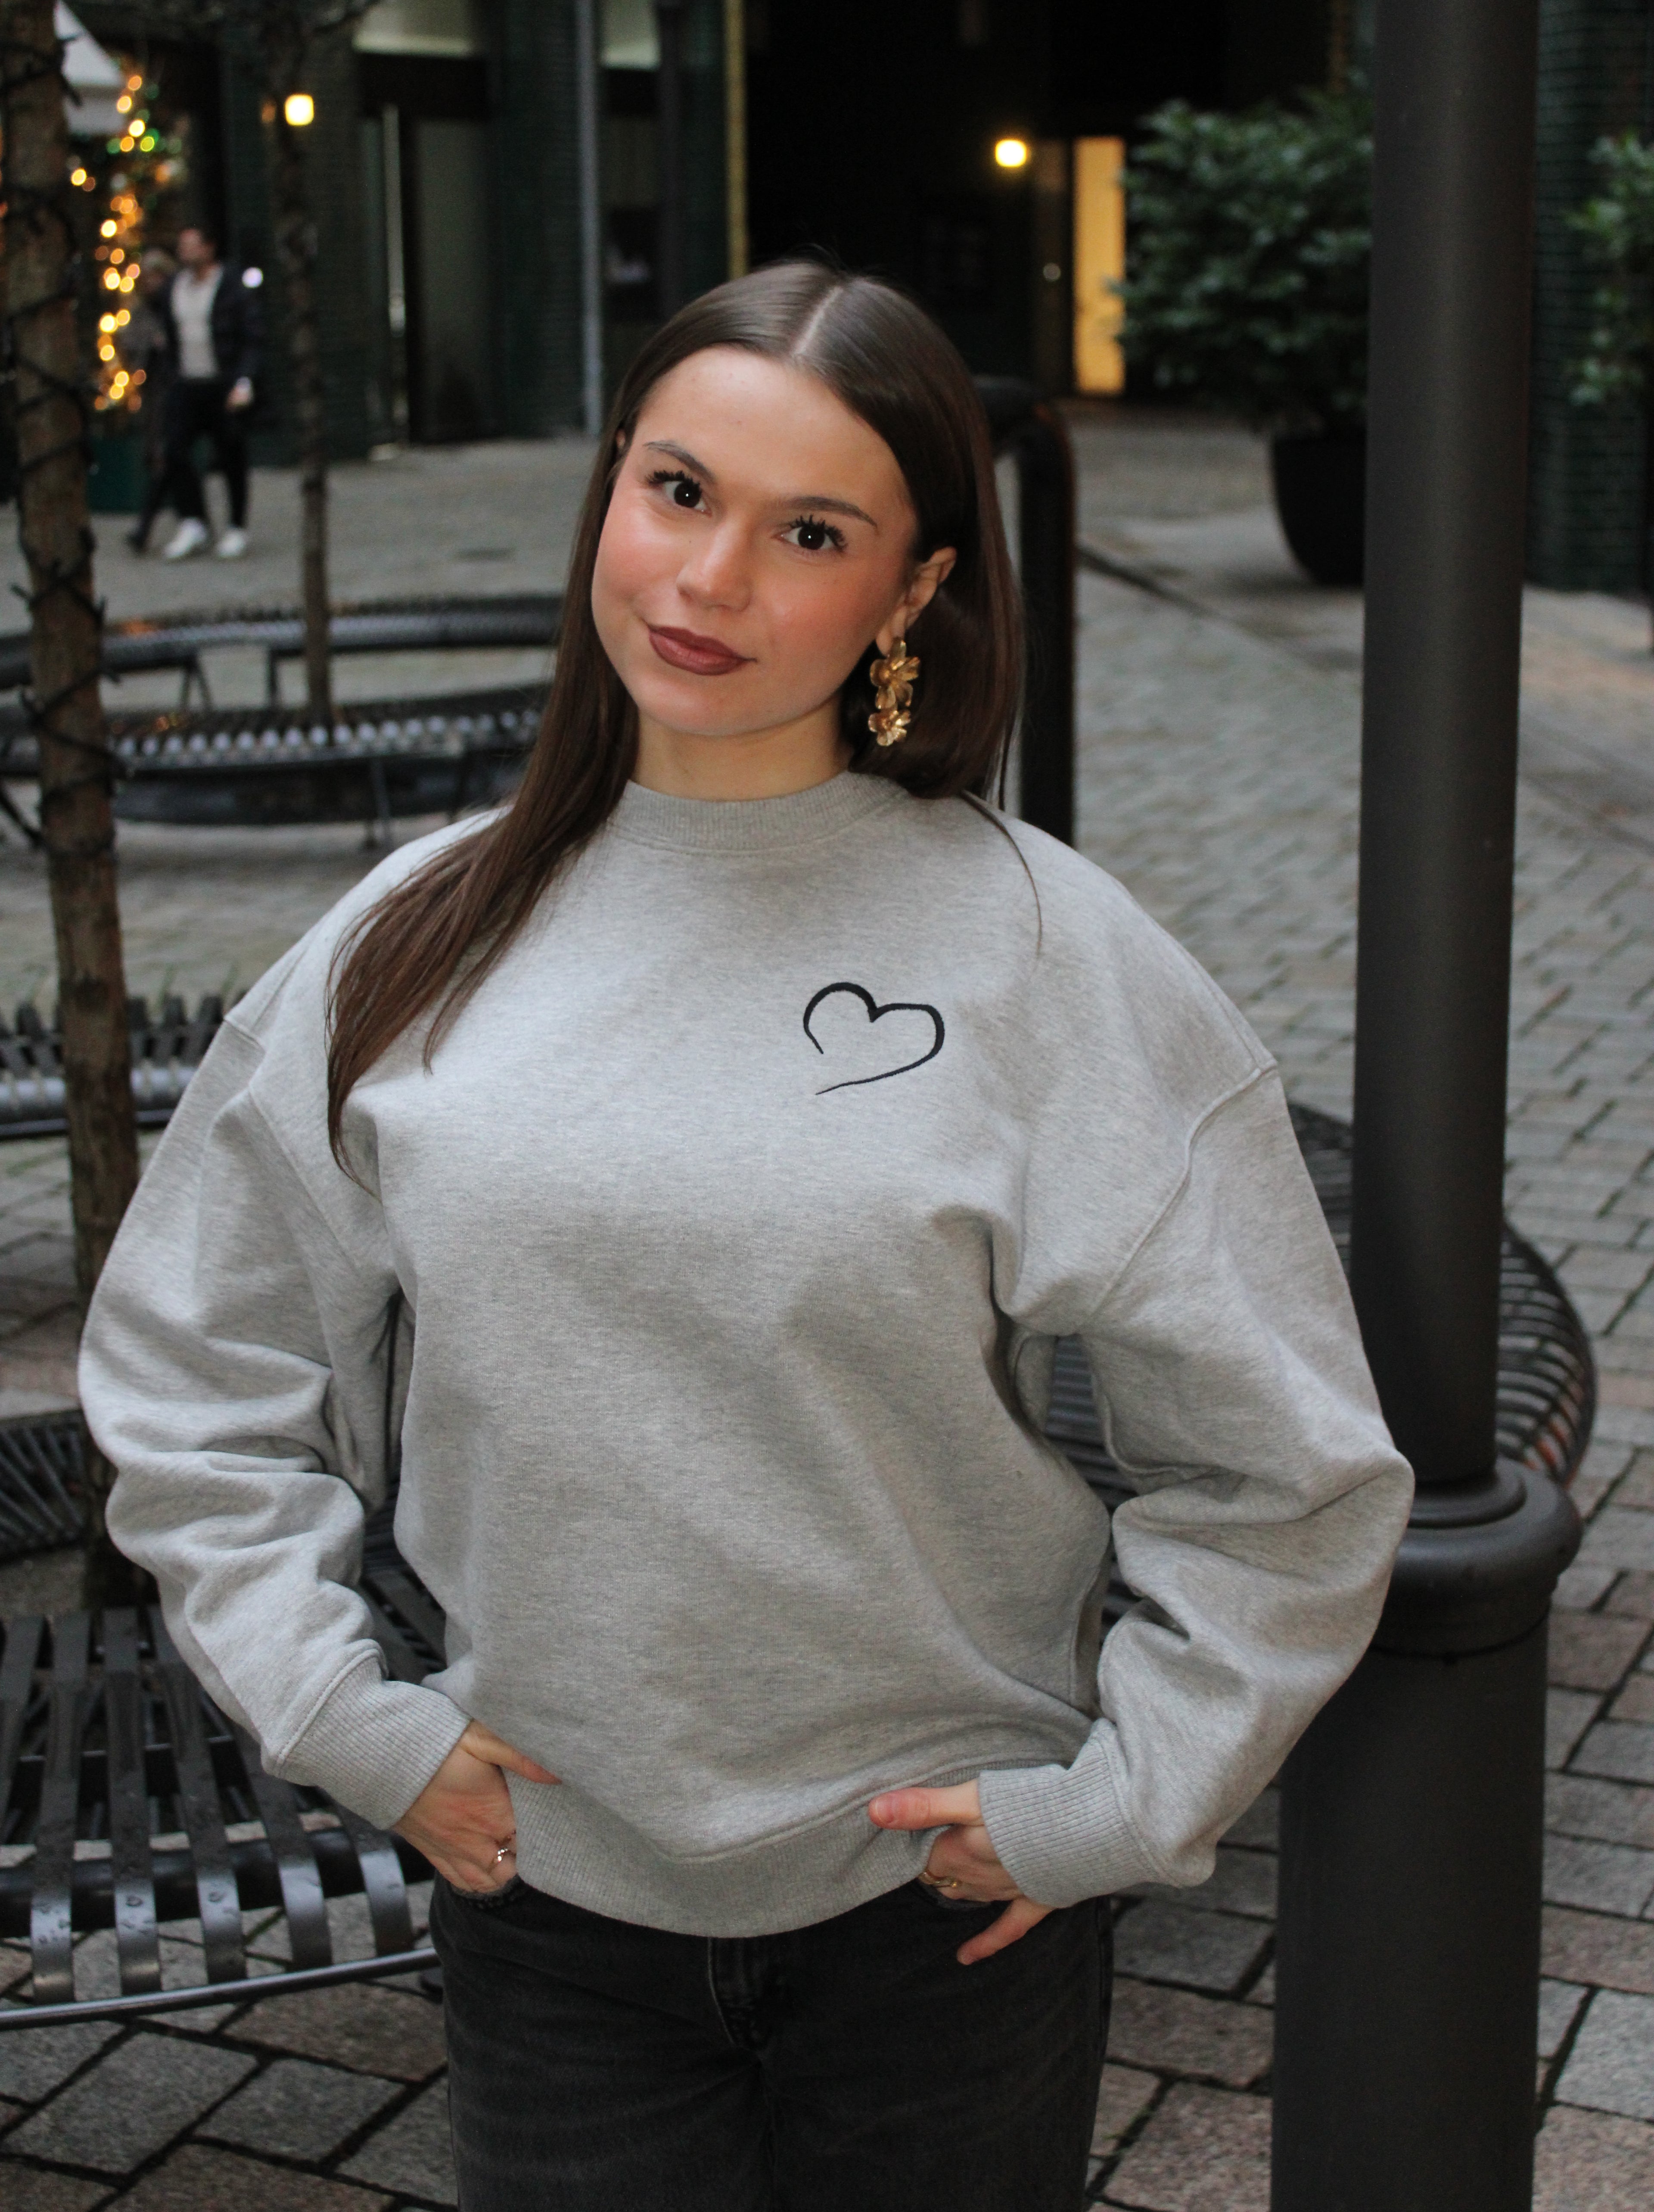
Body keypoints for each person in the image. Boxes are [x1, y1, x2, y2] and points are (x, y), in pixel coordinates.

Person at [81, 264, 1412, 2212]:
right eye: (680, 490)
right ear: (612, 486)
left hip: (940, 1916)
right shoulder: (413, 938)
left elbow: (1289, 1467)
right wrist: (348, 1717)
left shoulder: (1047, 954)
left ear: (912, 587)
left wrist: (1120, 1799)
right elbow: (198, 1368)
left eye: (809, 531)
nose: (707, 579)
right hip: (545, 1898)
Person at [158, 222, 261, 561]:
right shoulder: (174, 287)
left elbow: (251, 336)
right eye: (182, 246)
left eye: (192, 245)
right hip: (187, 383)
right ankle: (194, 521)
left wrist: (243, 382)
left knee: (232, 455)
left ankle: (236, 526)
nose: (184, 252)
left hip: (222, 384)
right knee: (175, 450)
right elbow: (169, 334)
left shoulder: (231, 286)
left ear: (209, 248)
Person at [124, 247, 178, 555]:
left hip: (180, 391)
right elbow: (131, 343)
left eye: (156, 277)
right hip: (156, 393)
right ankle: (195, 520)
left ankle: (145, 529)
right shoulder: (143, 311)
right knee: (168, 459)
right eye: (147, 278)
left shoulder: (176, 305)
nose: (151, 283)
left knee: (170, 458)